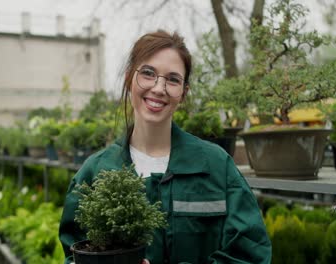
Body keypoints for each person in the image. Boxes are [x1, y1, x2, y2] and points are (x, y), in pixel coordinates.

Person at [59, 30, 272, 264]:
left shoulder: (216, 167)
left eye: (172, 79)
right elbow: (75, 254)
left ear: (183, 93)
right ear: (130, 78)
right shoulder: (95, 173)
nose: (159, 88)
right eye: (148, 73)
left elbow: (250, 254)